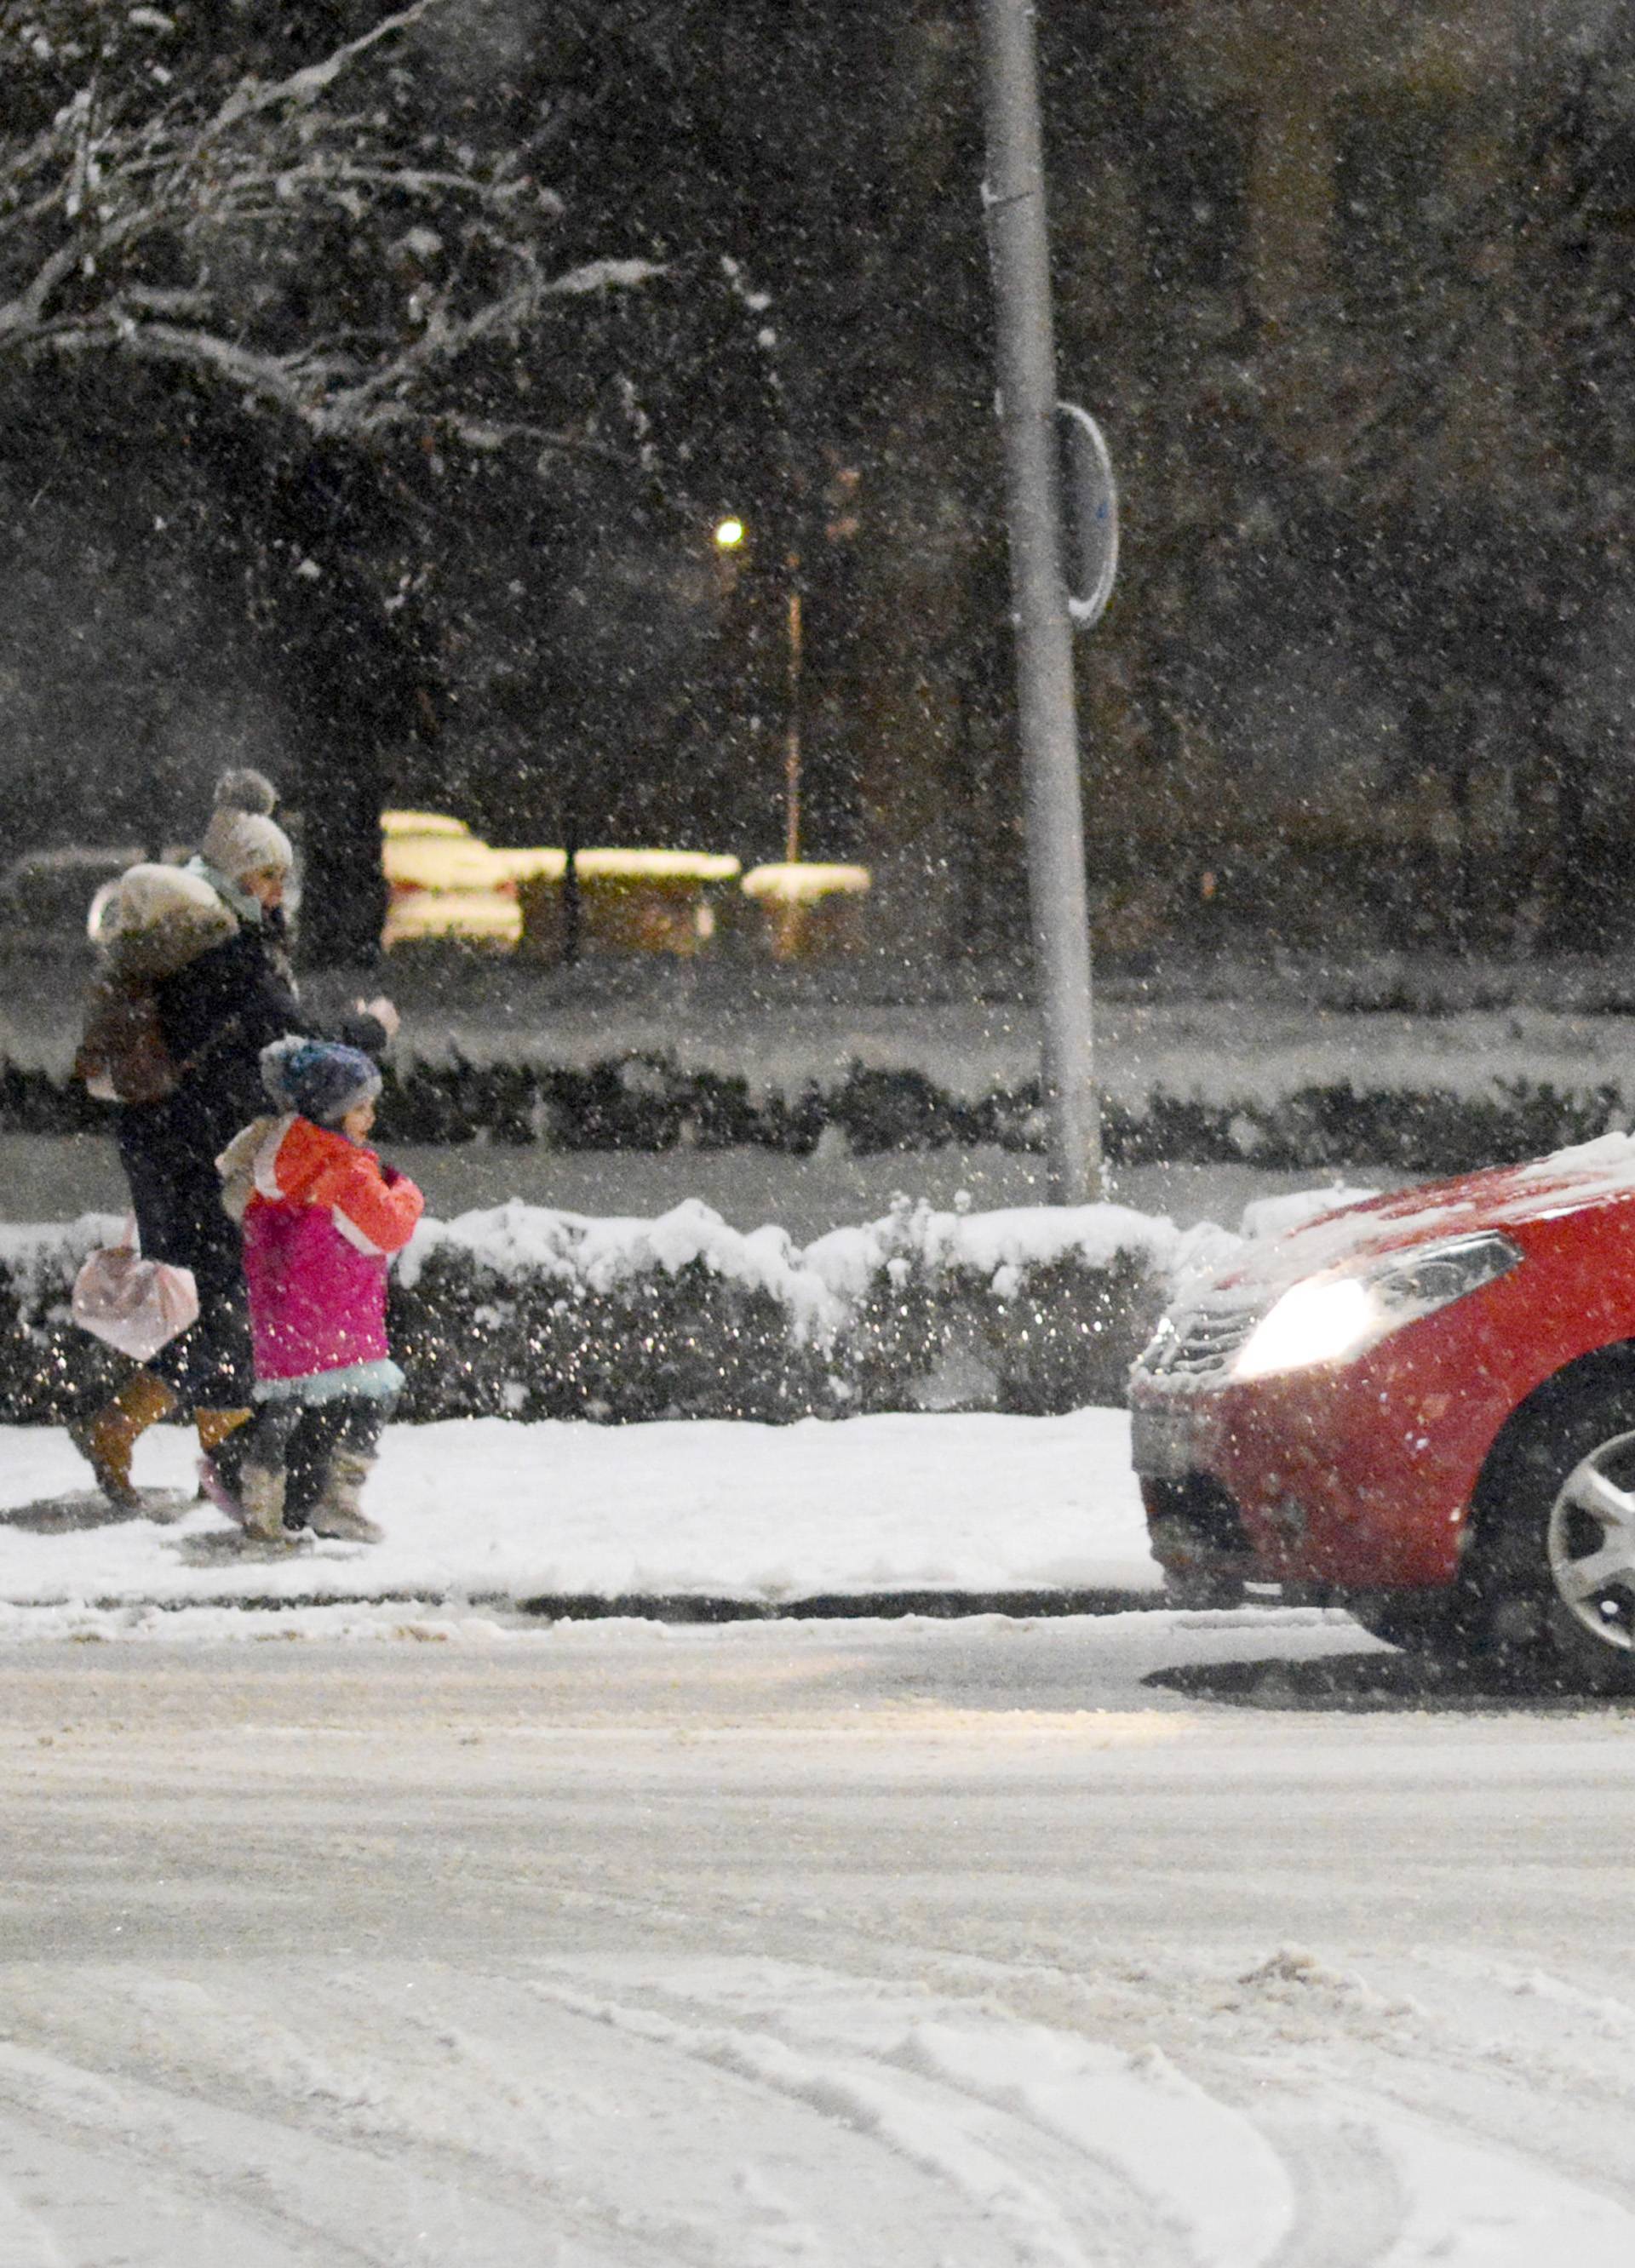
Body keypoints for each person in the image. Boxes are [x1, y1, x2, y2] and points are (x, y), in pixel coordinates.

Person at [70, 769, 397, 1509]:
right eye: (265, 874)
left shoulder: (198, 938)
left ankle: (223, 1466)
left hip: (170, 1140)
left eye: (282, 876)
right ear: (234, 872)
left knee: (229, 1306)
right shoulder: (223, 949)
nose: (277, 891)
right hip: (197, 1149)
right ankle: (120, 1428)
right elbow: (294, 1038)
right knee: (233, 1313)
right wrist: (370, 1031)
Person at [216, 1037, 424, 1544]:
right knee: (378, 1393)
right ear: (332, 1110)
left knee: (283, 1406)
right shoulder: (346, 1167)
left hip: (281, 1311)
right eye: (361, 1107)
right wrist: (404, 1188)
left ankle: (260, 1507)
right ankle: (339, 1500)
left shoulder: (273, 1155)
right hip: (339, 1309)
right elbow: (389, 1229)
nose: (370, 1116)